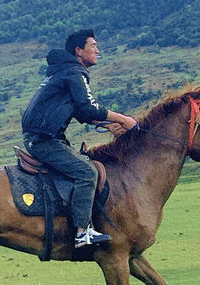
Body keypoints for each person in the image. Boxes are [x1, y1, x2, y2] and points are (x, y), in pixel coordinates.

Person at [21, 29, 137, 247]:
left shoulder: (63, 71)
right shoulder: (74, 72)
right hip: (44, 139)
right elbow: (88, 106)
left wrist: (109, 124)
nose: (97, 50)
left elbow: (82, 112)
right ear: (78, 51)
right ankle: (82, 233)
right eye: (93, 46)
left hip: (42, 137)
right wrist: (124, 119)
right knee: (87, 172)